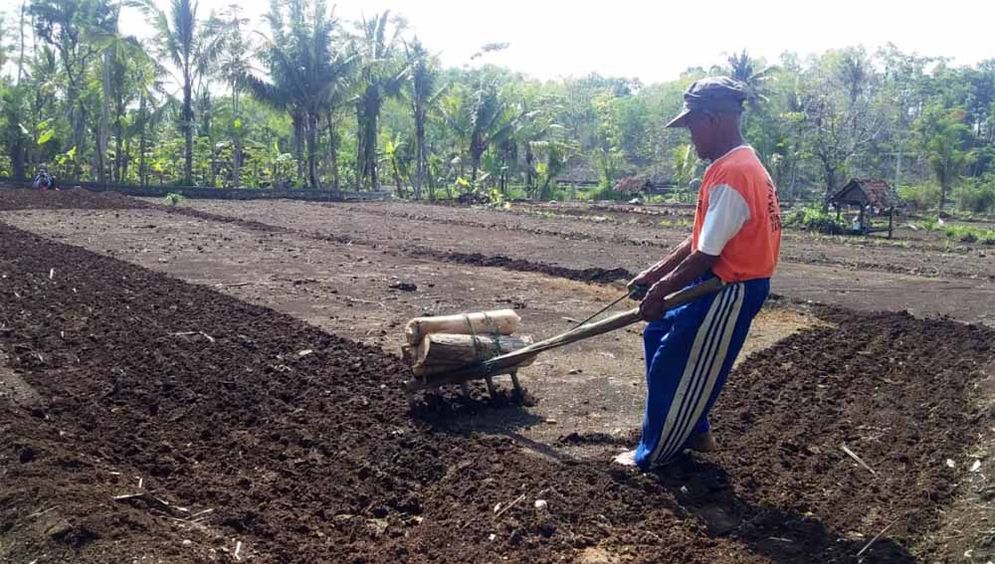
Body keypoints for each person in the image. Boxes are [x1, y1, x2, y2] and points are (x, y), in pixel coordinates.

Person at [614, 77, 782, 469]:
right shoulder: (731, 165)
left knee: (675, 361)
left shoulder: (735, 173)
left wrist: (659, 292)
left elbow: (707, 253)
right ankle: (695, 429)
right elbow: (698, 240)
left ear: (713, 120)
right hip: (712, 280)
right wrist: (653, 276)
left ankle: (653, 454)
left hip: (730, 287)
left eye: (692, 127)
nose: (690, 137)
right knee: (658, 333)